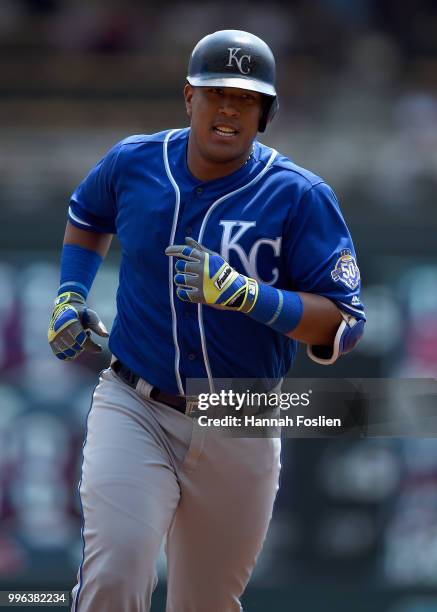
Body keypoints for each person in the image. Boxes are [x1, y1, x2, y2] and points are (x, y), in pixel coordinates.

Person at [48, 29, 365, 612]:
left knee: (206, 603)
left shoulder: (299, 196)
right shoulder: (136, 161)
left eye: (245, 98)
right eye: (217, 92)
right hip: (136, 401)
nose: (228, 109)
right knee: (115, 576)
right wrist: (70, 293)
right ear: (189, 97)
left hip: (240, 412)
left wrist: (250, 296)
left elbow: (343, 322)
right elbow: (87, 212)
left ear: (265, 113)